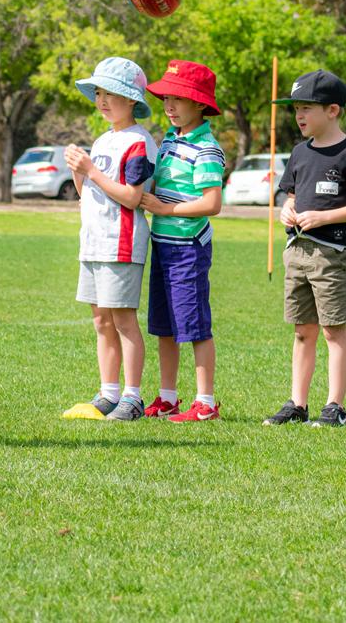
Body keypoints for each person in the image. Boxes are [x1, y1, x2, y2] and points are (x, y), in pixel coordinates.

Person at [262, 70, 346, 428]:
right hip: (297, 251)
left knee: (332, 329)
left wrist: (323, 218)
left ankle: (335, 407)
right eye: (296, 108)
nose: (299, 115)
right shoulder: (299, 152)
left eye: (307, 108)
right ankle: (298, 403)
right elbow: (292, 197)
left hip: (332, 255)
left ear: (333, 110)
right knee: (302, 330)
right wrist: (287, 210)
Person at [61, 57, 158, 421]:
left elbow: (133, 197)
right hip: (94, 241)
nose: (102, 100)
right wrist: (78, 173)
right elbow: (88, 195)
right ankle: (108, 392)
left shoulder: (139, 141)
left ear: (131, 100)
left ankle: (132, 397)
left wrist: (91, 170)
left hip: (122, 241)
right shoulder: (104, 139)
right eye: (98, 93)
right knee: (101, 320)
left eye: (111, 94)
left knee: (123, 320)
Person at [138, 60, 225, 422]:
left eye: (179, 99)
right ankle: (168, 397)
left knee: (194, 325)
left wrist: (164, 209)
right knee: (165, 324)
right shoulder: (169, 140)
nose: (169, 106)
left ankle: (205, 402)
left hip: (188, 248)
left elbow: (211, 203)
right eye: (166, 99)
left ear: (200, 104)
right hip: (162, 245)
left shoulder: (207, 148)